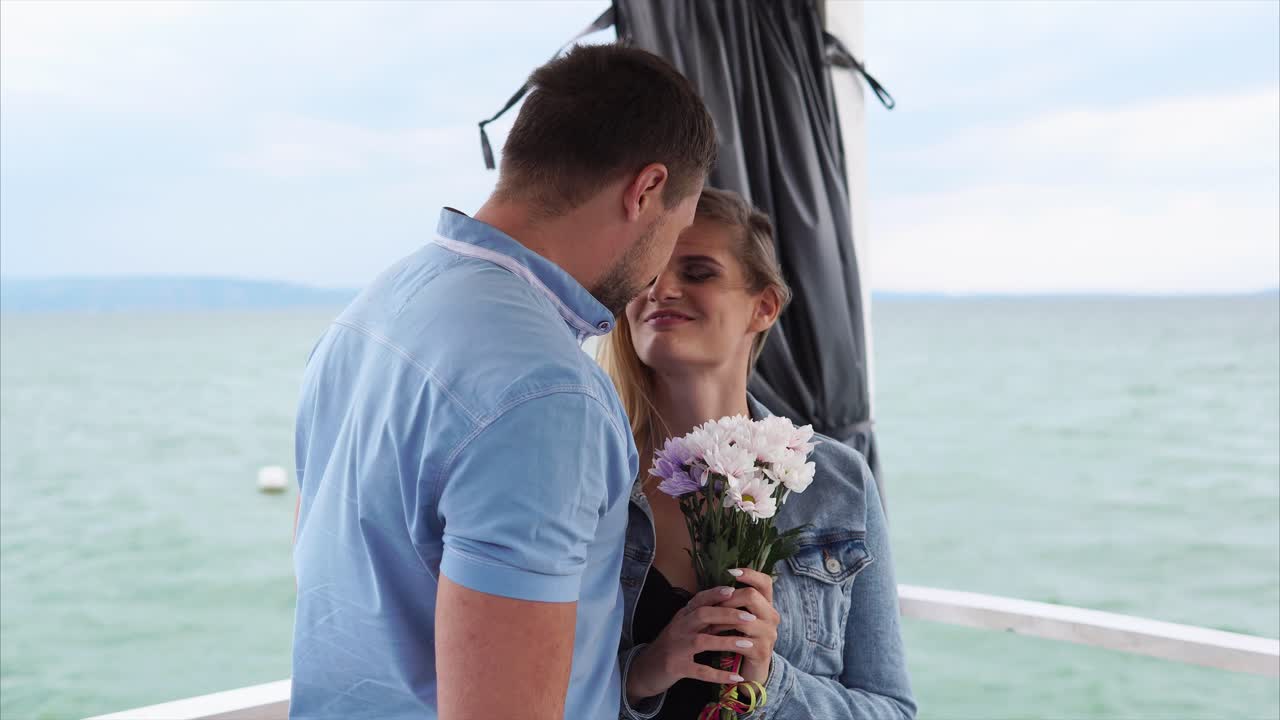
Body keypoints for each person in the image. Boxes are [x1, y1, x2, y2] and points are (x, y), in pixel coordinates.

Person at [290, 44, 717, 720]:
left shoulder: (368, 316)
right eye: (678, 228)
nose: (661, 270)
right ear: (645, 191)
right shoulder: (548, 395)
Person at [600, 188, 917, 719]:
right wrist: (643, 673)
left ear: (764, 306)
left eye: (698, 272)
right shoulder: (592, 471)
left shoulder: (836, 480)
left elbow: (891, 711)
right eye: (648, 271)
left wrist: (771, 680)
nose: (662, 289)